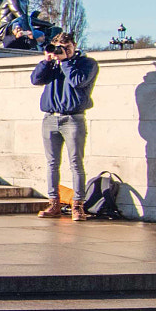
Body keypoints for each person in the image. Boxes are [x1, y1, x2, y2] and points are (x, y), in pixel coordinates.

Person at [30, 31, 99, 222]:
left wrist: (66, 61)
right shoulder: (54, 65)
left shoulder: (87, 64)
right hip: (50, 118)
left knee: (76, 162)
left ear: (74, 46)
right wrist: (47, 61)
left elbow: (78, 82)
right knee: (52, 163)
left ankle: (78, 205)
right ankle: (54, 203)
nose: (63, 51)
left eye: (67, 48)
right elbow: (36, 80)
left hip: (73, 118)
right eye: (60, 47)